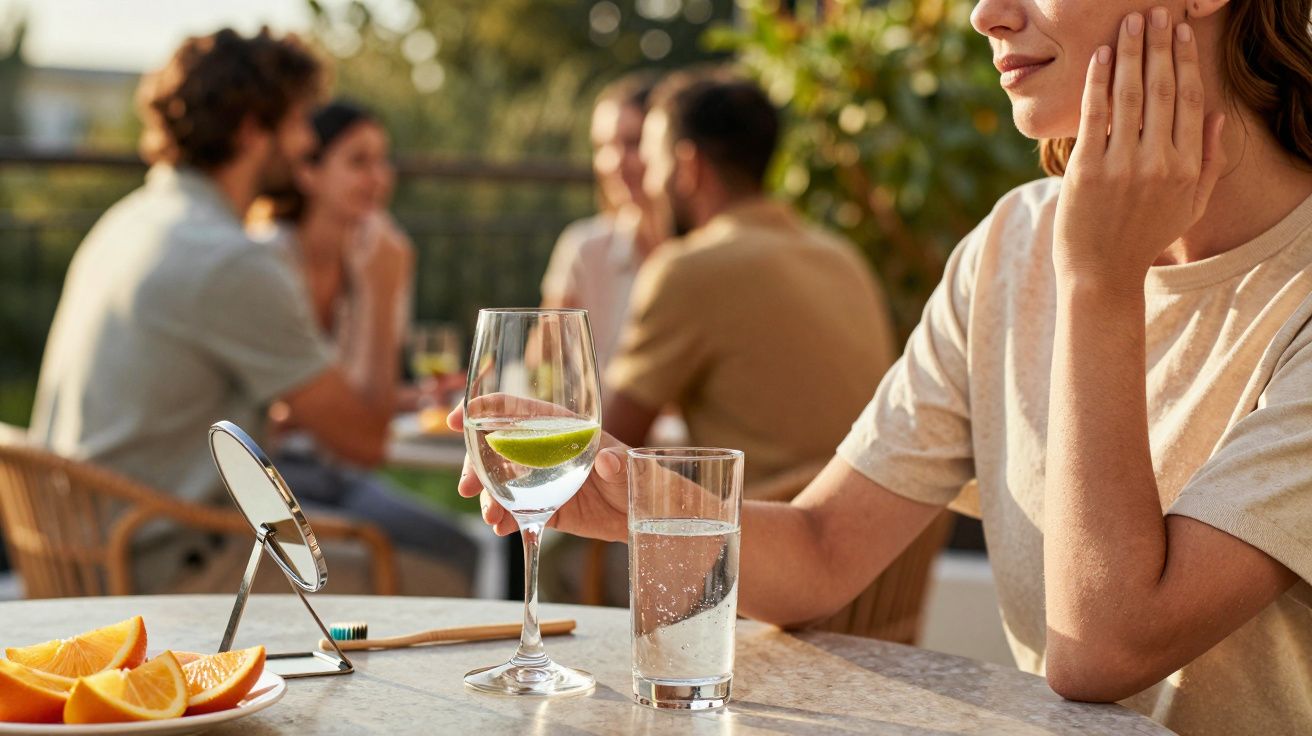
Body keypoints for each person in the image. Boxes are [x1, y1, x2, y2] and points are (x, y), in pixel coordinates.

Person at [458, 2, 1312, 733]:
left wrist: (1097, 281)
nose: (986, 14)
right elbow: (826, 553)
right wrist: (630, 496)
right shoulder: (1011, 246)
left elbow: (1104, 650)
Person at [29, 29, 435, 593]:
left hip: (83, 554)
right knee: (440, 573)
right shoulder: (229, 261)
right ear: (252, 130)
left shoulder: (128, 220)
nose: (304, 143)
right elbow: (363, 444)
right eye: (298, 121)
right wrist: (382, 289)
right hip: (164, 571)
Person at [603, 71, 900, 489]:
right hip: (882, 541)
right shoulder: (842, 257)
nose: (650, 185)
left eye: (653, 164)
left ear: (689, 167)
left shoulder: (688, 270)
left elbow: (607, 452)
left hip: (771, 540)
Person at [249, 100, 478, 585]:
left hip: (340, 473)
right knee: (436, 553)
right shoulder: (265, 260)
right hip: (272, 477)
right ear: (308, 171)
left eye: (383, 160)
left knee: (464, 546)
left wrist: (418, 398)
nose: (379, 177)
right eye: (358, 161)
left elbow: (359, 399)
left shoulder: (378, 255)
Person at [540, 71, 663, 374]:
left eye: (633, 142)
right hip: (598, 422)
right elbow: (542, 367)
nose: (615, 161)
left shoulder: (706, 254)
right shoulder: (583, 247)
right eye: (602, 146)